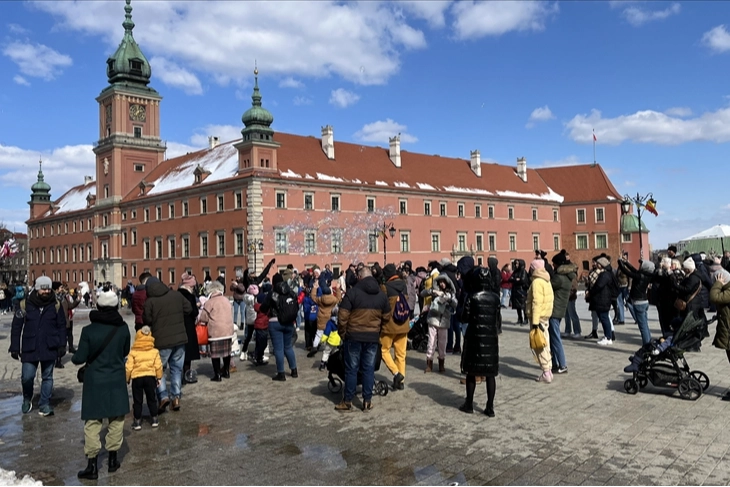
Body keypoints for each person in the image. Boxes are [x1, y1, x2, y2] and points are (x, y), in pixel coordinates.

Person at [72, 289, 131, 480]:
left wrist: (76, 356)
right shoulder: (122, 329)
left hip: (95, 381)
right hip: (116, 379)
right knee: (116, 421)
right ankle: (113, 460)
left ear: (98, 306)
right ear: (115, 306)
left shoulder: (88, 330)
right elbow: (125, 351)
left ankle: (92, 466)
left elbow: (79, 358)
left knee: (93, 423)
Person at [9, 276, 66, 416]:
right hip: (30, 345)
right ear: (37, 289)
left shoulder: (56, 304)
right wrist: (15, 346)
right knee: (27, 377)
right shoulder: (25, 304)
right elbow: (16, 326)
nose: (46, 291)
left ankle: (44, 404)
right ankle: (27, 398)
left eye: (48, 288)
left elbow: (62, 326)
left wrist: (62, 345)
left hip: (49, 345)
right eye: (43, 288)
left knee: (47, 377)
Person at [335, 266, 391, 412]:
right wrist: (378, 331)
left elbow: (342, 316)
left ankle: (347, 400)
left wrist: (343, 333)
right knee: (368, 369)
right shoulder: (381, 294)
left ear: (359, 277)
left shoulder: (352, 293)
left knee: (351, 369)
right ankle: (367, 401)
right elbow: (386, 317)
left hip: (353, 335)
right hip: (372, 337)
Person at [143, 276, 193, 413]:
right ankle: (176, 398)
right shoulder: (176, 295)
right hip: (180, 338)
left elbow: (146, 320)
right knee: (176, 369)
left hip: (161, 341)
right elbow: (189, 309)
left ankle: (163, 396)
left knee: (159, 370)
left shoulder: (150, 301)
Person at [459, 266, 500, 416]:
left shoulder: (472, 297)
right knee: (490, 374)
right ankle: (490, 407)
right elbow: (498, 321)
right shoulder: (495, 298)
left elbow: (464, 317)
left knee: (471, 372)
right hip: (490, 339)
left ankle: (469, 403)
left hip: (474, 338)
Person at [260, 273, 298, 381]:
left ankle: (281, 373)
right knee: (288, 347)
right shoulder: (290, 292)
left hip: (275, 322)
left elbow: (263, 308)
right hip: (289, 322)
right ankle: (294, 370)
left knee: (278, 349)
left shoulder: (272, 293)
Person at [379, 264, 410, 390]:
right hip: (403, 323)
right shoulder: (404, 285)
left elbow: (381, 306)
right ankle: (401, 381)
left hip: (389, 326)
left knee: (383, 350)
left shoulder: (385, 287)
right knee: (401, 354)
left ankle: (396, 373)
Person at [125, 326, 162, 430]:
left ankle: (137, 421)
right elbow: (158, 365)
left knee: (137, 400)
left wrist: (127, 379)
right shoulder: (154, 351)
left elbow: (128, 367)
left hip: (137, 378)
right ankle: (154, 418)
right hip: (150, 377)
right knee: (151, 398)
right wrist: (159, 377)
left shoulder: (133, 352)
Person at [198, 281, 235, 381]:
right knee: (227, 353)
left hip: (215, 331)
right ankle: (226, 371)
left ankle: (217, 374)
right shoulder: (226, 300)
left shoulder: (209, 302)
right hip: (227, 330)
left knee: (215, 355)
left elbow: (204, 317)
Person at [421, 274, 457, 373]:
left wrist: (448, 298)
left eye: (443, 282)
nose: (442, 284)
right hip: (433, 318)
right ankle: (429, 363)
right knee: (431, 342)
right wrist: (432, 291)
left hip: (444, 320)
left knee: (442, 343)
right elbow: (422, 293)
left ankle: (441, 363)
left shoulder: (451, 293)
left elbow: (455, 303)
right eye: (440, 282)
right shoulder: (434, 290)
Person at [526, 259, 554, 383]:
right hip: (546, 315)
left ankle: (546, 372)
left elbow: (536, 302)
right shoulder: (546, 280)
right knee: (545, 342)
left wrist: (535, 321)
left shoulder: (536, 282)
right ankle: (549, 369)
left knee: (539, 344)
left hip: (538, 317)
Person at [617, 257, 655, 345]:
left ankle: (646, 344)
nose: (640, 265)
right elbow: (633, 269)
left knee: (642, 326)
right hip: (644, 301)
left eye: (641, 264)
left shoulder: (640, 276)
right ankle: (649, 340)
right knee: (645, 324)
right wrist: (626, 262)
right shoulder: (645, 275)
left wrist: (619, 262)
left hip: (639, 303)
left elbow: (627, 272)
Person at [548, 250, 575, 374]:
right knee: (553, 337)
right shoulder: (567, 276)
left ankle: (562, 364)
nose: (553, 266)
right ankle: (554, 364)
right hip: (559, 310)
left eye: (554, 264)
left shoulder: (559, 278)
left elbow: (548, 286)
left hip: (555, 310)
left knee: (555, 338)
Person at [307, 276, 341, 358]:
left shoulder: (320, 299)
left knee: (318, 334)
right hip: (330, 318)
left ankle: (314, 347)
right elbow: (339, 299)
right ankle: (332, 349)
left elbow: (313, 297)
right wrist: (338, 289)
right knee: (332, 334)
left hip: (321, 318)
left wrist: (314, 288)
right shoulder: (334, 299)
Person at [178, 273, 200, 383]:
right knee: (188, 352)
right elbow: (194, 312)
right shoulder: (189, 296)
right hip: (188, 326)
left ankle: (179, 374)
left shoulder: (177, 294)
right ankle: (186, 375)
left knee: (179, 352)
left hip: (178, 325)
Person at [319, 306, 341, 371]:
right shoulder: (340, 321)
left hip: (330, 341)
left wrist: (322, 340)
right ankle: (334, 364)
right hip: (337, 341)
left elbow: (326, 333)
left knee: (326, 352)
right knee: (334, 352)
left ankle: (323, 364)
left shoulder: (330, 322)